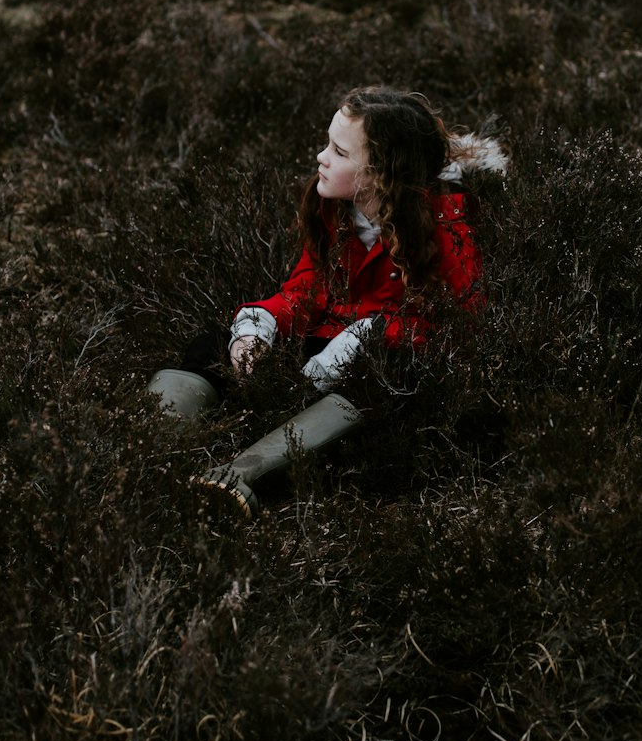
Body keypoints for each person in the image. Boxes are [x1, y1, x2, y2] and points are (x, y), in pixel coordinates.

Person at [145, 86, 507, 518]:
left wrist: (363, 338)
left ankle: (239, 477)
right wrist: (260, 328)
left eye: (338, 151)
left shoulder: (446, 226)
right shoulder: (332, 207)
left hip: (376, 360)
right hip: (320, 343)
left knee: (385, 383)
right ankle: (149, 447)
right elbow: (306, 289)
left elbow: (458, 324)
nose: (321, 157)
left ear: (380, 173)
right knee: (213, 344)